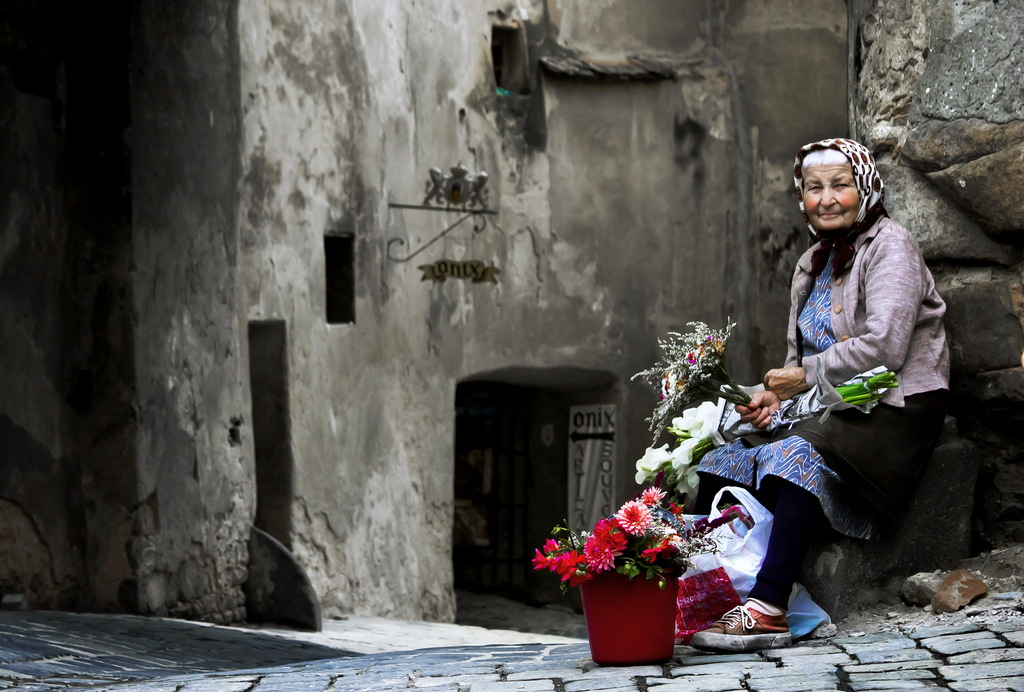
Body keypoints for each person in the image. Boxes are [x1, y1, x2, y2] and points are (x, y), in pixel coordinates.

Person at [689, 138, 950, 652]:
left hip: (897, 406)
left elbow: (887, 348)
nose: (826, 199)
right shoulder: (811, 262)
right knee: (722, 459)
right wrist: (771, 398)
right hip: (834, 404)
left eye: (840, 185)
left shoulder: (890, 246)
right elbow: (796, 361)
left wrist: (803, 378)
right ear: (801, 196)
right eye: (813, 188)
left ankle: (767, 608)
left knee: (792, 452)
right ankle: (706, 595)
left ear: (866, 188)